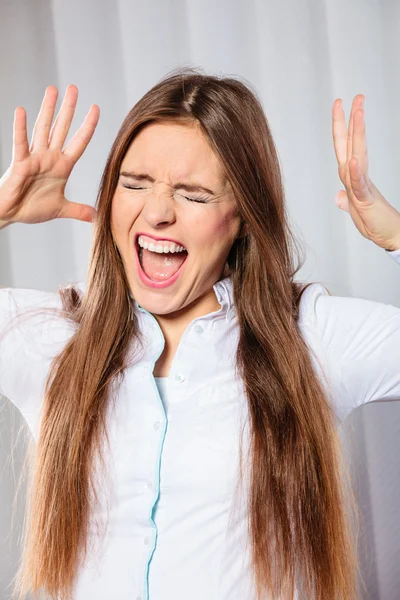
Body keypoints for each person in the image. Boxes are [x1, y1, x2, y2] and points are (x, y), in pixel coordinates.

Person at [0, 69, 399, 600]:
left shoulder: (309, 337)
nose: (157, 212)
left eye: (193, 193)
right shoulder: (49, 336)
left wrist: (396, 235)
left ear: (243, 218)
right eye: (135, 184)